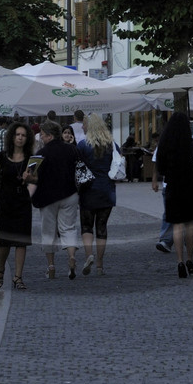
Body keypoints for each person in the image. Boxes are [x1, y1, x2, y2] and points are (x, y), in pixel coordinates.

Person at [153, 111, 193, 278]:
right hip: (191, 187)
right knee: (190, 224)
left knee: (177, 225)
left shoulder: (165, 143)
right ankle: (190, 259)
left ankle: (180, 261)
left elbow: (160, 168)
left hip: (172, 187)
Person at [30, 120, 81, 280]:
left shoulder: (40, 154)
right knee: (69, 228)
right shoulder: (72, 149)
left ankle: (51, 267)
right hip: (70, 194)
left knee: (48, 232)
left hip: (48, 197)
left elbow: (30, 175)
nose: (41, 138)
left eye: (43, 135)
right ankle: (71, 257)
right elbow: (80, 170)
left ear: (50, 136)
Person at [0, 122, 34, 290]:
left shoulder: (31, 157)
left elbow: (36, 178)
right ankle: (0, 270)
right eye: (18, 135)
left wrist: (29, 178)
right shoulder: (3, 156)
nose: (20, 138)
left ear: (27, 138)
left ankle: (18, 277)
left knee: (21, 241)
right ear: (12, 137)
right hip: (6, 200)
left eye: (23, 135)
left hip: (22, 201)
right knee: (5, 241)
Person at [75, 113, 115, 275]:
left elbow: (77, 168)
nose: (83, 127)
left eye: (84, 125)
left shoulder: (83, 146)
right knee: (102, 227)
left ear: (89, 127)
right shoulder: (111, 145)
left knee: (86, 226)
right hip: (106, 189)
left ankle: (89, 255)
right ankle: (99, 264)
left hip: (88, 189)